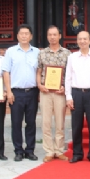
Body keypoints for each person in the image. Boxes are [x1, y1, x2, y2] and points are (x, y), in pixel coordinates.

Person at [3, 24, 40, 162]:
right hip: (16, 93)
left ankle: (30, 150)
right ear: (17, 36)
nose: (24, 36)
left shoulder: (37, 52)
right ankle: (18, 151)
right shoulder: (10, 52)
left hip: (32, 92)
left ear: (31, 36)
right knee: (16, 123)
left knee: (31, 122)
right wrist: (8, 91)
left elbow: (40, 71)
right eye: (21, 33)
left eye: (26, 33)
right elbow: (5, 72)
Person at [66, 31, 90, 164]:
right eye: (80, 39)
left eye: (85, 39)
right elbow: (68, 77)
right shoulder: (72, 57)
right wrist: (68, 96)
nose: (82, 41)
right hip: (76, 93)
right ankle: (77, 153)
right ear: (77, 41)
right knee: (76, 126)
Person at [37, 25, 71, 163]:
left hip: (60, 92)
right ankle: (49, 151)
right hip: (45, 92)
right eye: (50, 35)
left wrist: (65, 88)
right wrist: (39, 85)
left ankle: (59, 150)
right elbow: (39, 71)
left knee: (60, 122)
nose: (52, 37)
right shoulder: (42, 53)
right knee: (46, 122)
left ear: (60, 36)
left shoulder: (67, 53)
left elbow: (69, 74)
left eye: (54, 34)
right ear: (47, 37)